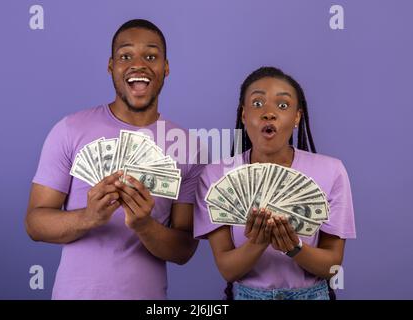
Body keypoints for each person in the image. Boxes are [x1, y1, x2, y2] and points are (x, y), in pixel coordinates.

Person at [25, 19, 203, 299]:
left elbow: (184, 250)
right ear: (111, 66)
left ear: (165, 68)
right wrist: (89, 217)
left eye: (151, 56)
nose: (138, 64)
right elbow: (35, 224)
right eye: (125, 56)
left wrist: (144, 225)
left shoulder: (187, 146)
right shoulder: (69, 129)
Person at [194, 66, 356, 300]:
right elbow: (228, 270)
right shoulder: (215, 175)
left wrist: (295, 248)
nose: (269, 113)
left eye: (282, 105)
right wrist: (258, 243)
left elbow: (331, 266)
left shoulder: (332, 171)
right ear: (243, 114)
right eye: (258, 104)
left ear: (297, 117)